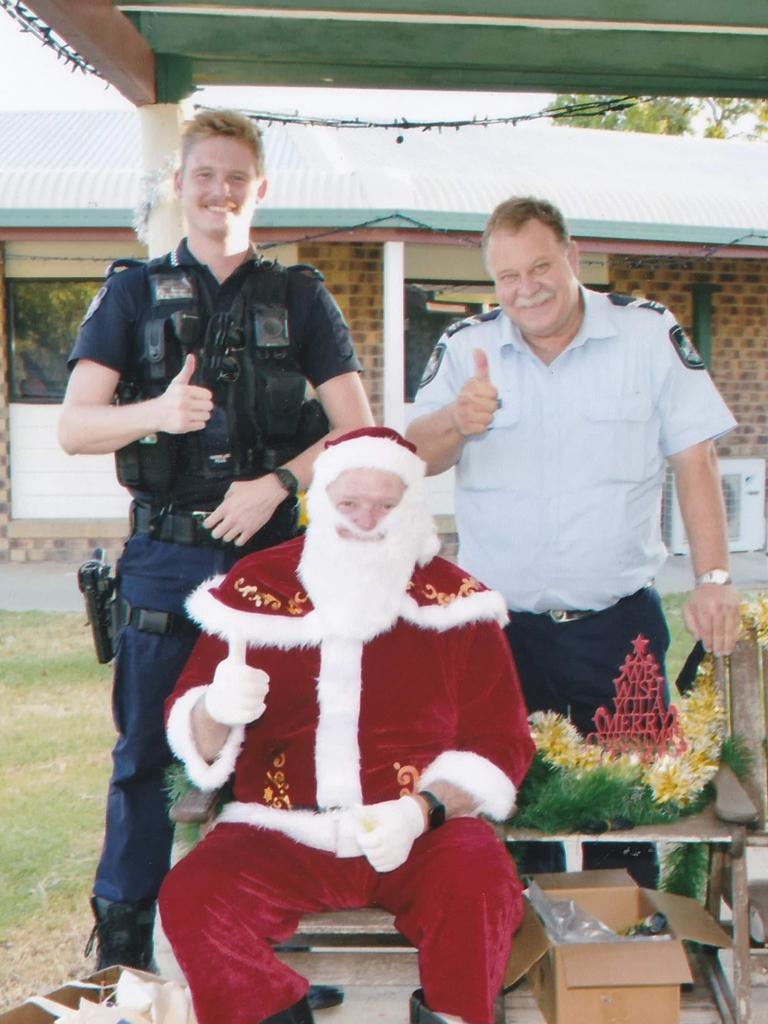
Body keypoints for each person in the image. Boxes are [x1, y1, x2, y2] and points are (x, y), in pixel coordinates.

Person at [58, 108, 374, 981]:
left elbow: (359, 431)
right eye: (204, 175)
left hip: (274, 561)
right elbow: (76, 427)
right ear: (179, 184)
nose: (219, 191)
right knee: (147, 758)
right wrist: (158, 413)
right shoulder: (130, 293)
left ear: (259, 188)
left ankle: (263, 961)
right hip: (165, 557)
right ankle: (124, 964)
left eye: (236, 176)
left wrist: (279, 482)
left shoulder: (301, 296)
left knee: (277, 754)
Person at [406, 195, 740, 883]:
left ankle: (619, 967)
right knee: (508, 808)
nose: (525, 289)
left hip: (617, 629)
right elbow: (413, 453)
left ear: (572, 257)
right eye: (507, 277)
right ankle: (522, 955)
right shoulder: (465, 347)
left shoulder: (646, 335)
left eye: (539, 267)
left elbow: (694, 460)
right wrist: (456, 421)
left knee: (627, 811)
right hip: (498, 634)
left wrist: (712, 580)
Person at [158, 427, 535, 1024]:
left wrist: (422, 811)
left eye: (386, 505)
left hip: (418, 831)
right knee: (191, 894)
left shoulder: (457, 604)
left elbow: (502, 740)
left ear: (412, 509)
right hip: (280, 830)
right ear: (319, 501)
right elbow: (195, 739)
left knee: (482, 880)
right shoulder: (255, 591)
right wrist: (215, 710)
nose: (366, 519)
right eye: (349, 503)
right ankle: (273, 1012)